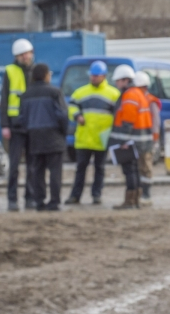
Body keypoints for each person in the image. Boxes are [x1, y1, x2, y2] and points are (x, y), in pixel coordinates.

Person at [65, 61, 121, 205]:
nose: (93, 78)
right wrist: (77, 116)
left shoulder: (113, 94)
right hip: (84, 138)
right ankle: (75, 196)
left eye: (96, 76)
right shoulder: (81, 92)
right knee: (80, 169)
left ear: (103, 76)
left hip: (102, 139)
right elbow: (72, 106)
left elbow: (118, 115)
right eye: (92, 76)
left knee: (100, 169)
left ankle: (96, 195)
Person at [18, 64, 68, 211]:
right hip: (54, 135)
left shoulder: (26, 94)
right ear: (46, 75)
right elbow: (62, 115)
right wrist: (63, 133)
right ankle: (54, 202)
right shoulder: (54, 92)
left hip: (34, 137)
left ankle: (39, 201)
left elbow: (22, 118)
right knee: (55, 171)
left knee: (37, 172)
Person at [108, 65, 153, 210]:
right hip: (139, 140)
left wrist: (122, 141)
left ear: (125, 80)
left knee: (130, 171)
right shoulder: (138, 93)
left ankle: (130, 201)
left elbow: (127, 121)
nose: (117, 84)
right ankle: (136, 200)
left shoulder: (130, 95)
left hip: (131, 140)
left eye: (118, 81)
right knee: (134, 170)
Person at [0, 38, 35, 212]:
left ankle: (30, 198)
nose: (25, 57)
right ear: (16, 56)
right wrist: (4, 125)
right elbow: (4, 99)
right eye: (21, 54)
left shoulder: (37, 71)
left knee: (33, 165)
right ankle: (12, 200)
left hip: (33, 124)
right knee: (14, 166)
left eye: (27, 53)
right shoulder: (10, 71)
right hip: (15, 125)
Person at [133, 71, 161, 207]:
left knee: (146, 166)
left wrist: (155, 141)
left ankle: (146, 194)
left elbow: (155, 123)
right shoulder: (138, 99)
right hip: (138, 139)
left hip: (147, 140)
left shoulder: (150, 101)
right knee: (139, 167)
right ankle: (139, 193)